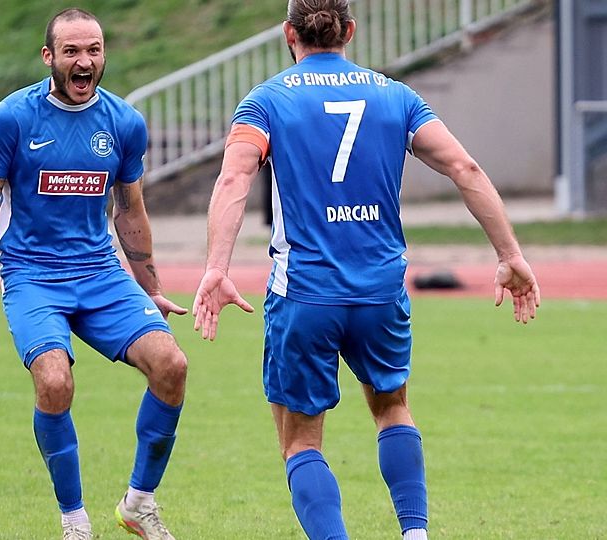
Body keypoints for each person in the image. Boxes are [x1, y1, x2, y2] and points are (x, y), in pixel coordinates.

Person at [192, 1, 541, 539]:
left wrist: (216, 267)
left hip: (305, 293)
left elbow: (234, 179)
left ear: (289, 34)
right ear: (350, 30)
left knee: (300, 442)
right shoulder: (396, 96)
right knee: (392, 408)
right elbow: (463, 166)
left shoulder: (264, 102)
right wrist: (510, 254)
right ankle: (415, 533)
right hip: (380, 292)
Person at [0, 8, 187, 540]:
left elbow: (130, 210)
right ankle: (74, 520)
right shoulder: (12, 119)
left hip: (101, 273)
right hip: (32, 274)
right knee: (54, 381)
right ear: (49, 57)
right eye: (73, 52)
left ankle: (139, 504)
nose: (85, 62)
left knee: (171, 365)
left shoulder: (124, 123)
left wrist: (151, 287)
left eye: (94, 50)